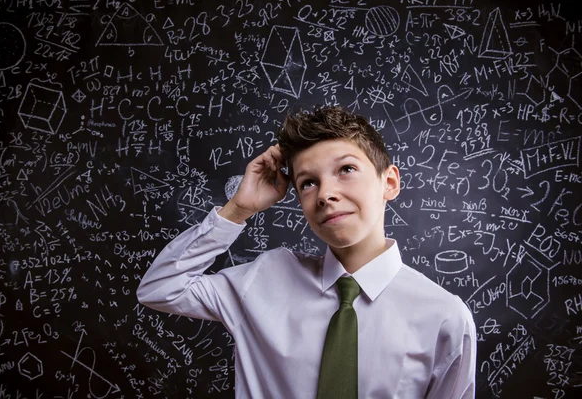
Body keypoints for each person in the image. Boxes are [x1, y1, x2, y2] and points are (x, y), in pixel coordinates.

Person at [136, 105, 477, 398]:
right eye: (308, 182)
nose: (326, 194)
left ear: (388, 182)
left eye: (346, 170)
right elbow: (161, 287)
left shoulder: (444, 317)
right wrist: (238, 209)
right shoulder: (265, 281)